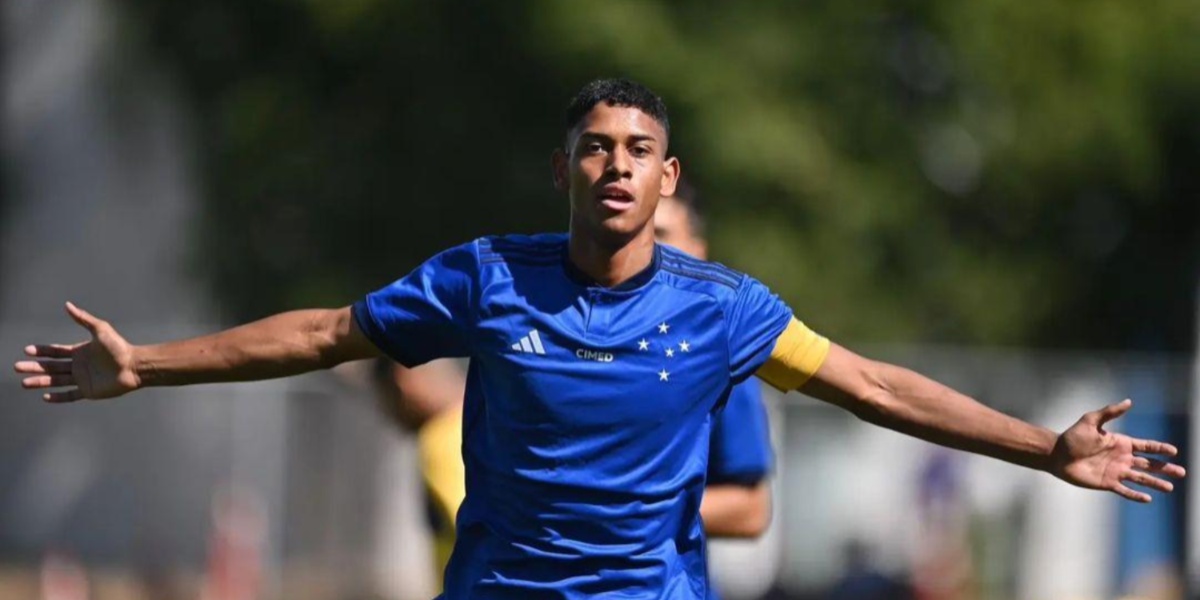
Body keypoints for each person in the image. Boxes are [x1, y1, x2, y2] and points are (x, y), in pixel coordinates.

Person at [14, 79, 1184, 600]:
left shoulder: (724, 309)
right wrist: (146, 365)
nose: (616, 165)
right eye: (596, 147)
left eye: (639, 150)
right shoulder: (486, 278)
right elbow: (324, 335)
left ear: (667, 177)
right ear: (564, 167)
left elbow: (873, 385)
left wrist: (1045, 449)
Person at [375, 182, 775, 594]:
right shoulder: (558, 329)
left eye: (662, 235)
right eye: (634, 234)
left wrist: (619, 507)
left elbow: (752, 510)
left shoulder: (714, 355)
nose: (648, 251)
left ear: (699, 251)